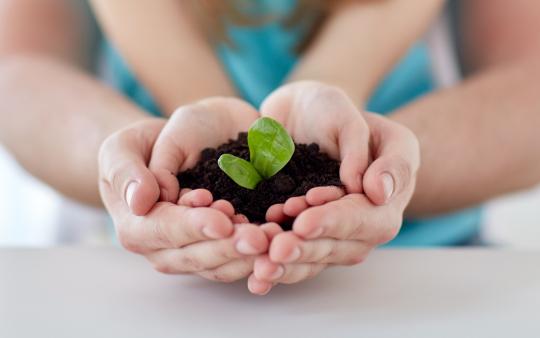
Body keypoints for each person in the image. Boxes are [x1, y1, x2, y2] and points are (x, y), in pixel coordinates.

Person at [0, 0, 539, 295]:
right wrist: (144, 165)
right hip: (150, 280)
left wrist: (374, 164)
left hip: (424, 273)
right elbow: (17, 75)